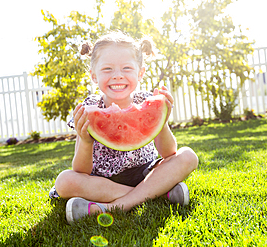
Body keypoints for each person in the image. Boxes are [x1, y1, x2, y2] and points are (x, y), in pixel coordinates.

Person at [51, 31, 198, 224]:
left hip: (146, 172)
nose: (117, 76)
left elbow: (169, 153)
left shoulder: (148, 101)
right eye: (108, 69)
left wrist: (161, 124)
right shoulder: (89, 108)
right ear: (94, 76)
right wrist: (86, 141)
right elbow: (80, 170)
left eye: (126, 68)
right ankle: (160, 194)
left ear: (140, 73)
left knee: (188, 156)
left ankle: (108, 207)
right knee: (65, 181)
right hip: (103, 181)